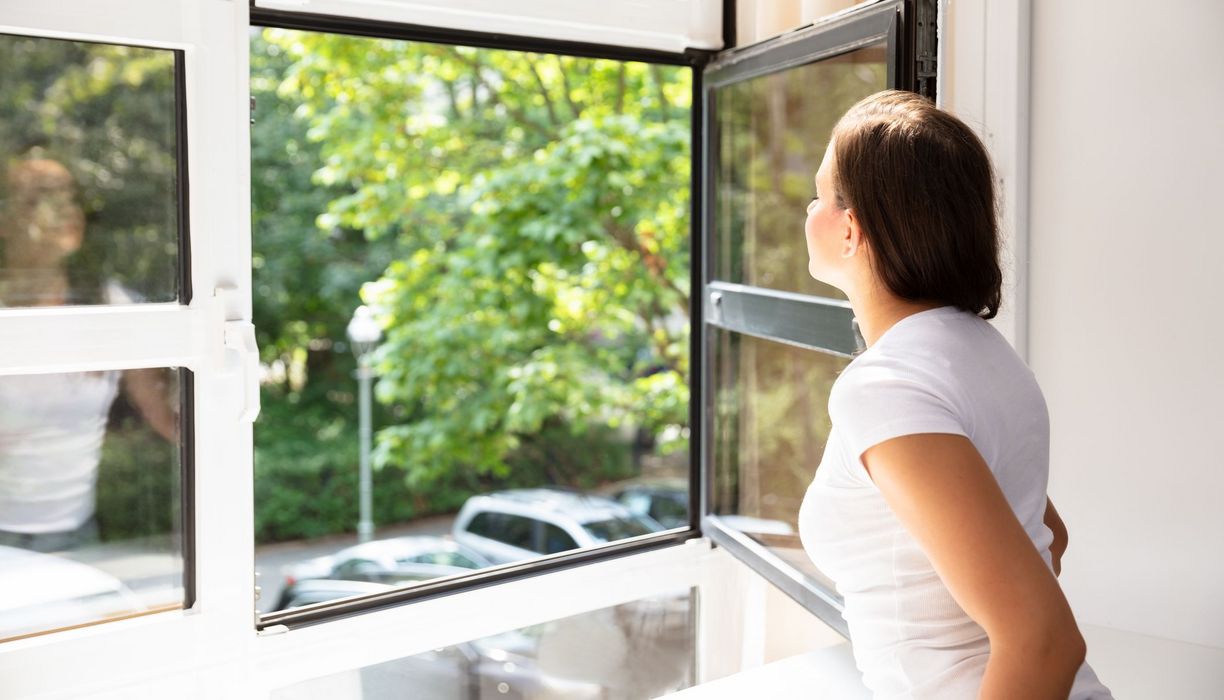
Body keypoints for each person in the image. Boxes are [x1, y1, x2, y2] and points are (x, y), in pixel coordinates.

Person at [796, 90, 1114, 699]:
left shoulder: (884, 387)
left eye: (820, 194)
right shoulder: (981, 352)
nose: (808, 210)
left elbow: (1044, 640)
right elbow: (1048, 534)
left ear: (851, 230)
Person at [0, 156, 177, 553]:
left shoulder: (107, 305)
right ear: (4, 220)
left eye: (68, 198)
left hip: (77, 538)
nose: (62, 210)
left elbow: (170, 418)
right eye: (39, 199)